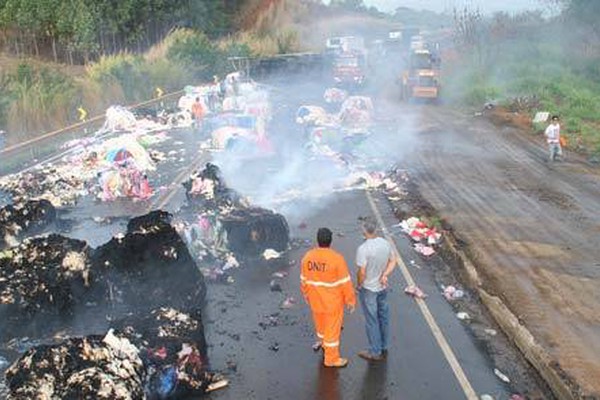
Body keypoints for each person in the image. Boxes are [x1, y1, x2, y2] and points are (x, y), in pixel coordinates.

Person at [301, 227, 356, 368]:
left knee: (320, 325)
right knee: (332, 330)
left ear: (317, 240)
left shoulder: (308, 257)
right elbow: (345, 283)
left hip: (315, 300)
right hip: (332, 303)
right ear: (330, 241)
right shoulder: (337, 259)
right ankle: (331, 359)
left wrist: (306, 295)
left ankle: (323, 343)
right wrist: (350, 300)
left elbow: (304, 280)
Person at [356, 219, 396, 362]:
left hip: (369, 289)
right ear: (376, 230)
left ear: (364, 231)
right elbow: (393, 261)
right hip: (382, 287)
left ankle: (374, 351)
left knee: (372, 320)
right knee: (383, 317)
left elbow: (361, 272)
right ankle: (384, 345)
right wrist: (385, 275)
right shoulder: (385, 244)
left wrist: (359, 285)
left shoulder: (363, 249)